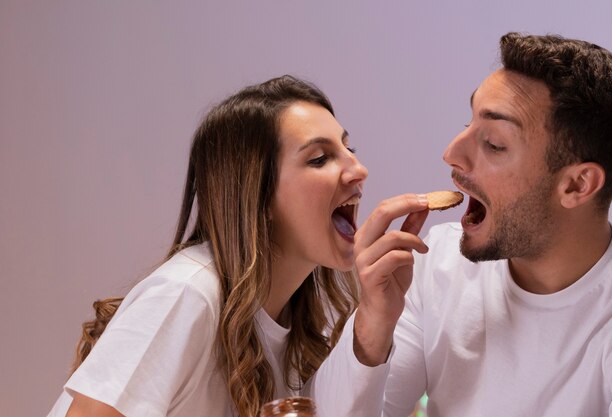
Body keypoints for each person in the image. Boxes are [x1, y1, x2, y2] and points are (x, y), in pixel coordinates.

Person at [46, 74, 379, 417]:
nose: (359, 169)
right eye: (320, 158)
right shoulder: (186, 294)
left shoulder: (297, 328)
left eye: (348, 149)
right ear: (258, 196)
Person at [339, 32, 612, 416]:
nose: (451, 154)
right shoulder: (434, 261)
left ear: (576, 184)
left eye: (493, 143)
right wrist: (373, 325)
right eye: (467, 123)